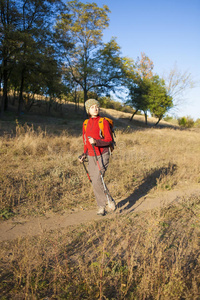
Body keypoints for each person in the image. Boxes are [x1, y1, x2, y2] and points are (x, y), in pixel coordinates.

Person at [79, 99, 116, 216]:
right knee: (94, 181)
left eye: (96, 107)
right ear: (88, 110)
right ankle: (102, 206)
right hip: (90, 155)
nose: (95, 109)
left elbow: (109, 140)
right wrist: (84, 154)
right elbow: (85, 142)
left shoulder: (103, 122)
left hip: (103, 154)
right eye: (92, 107)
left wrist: (96, 142)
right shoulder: (85, 123)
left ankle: (107, 202)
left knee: (98, 179)